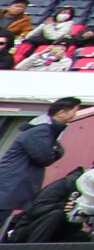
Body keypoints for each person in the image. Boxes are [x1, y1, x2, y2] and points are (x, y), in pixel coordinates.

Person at [0, 95, 79, 228]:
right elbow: (44, 157)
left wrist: (55, 149)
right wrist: (57, 151)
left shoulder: (45, 131)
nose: (75, 115)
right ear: (62, 112)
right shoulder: (41, 131)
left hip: (12, 185)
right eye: (74, 111)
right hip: (10, 185)